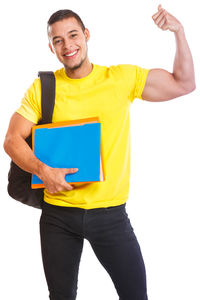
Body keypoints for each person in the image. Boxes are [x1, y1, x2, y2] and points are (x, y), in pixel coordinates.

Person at [4, 4, 195, 300]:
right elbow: (12, 140)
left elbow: (184, 83)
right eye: (58, 40)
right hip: (58, 215)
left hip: (110, 215)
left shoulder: (119, 79)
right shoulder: (43, 88)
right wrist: (43, 171)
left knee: (135, 295)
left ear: (86, 35)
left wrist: (179, 32)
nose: (68, 45)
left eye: (73, 35)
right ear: (51, 47)